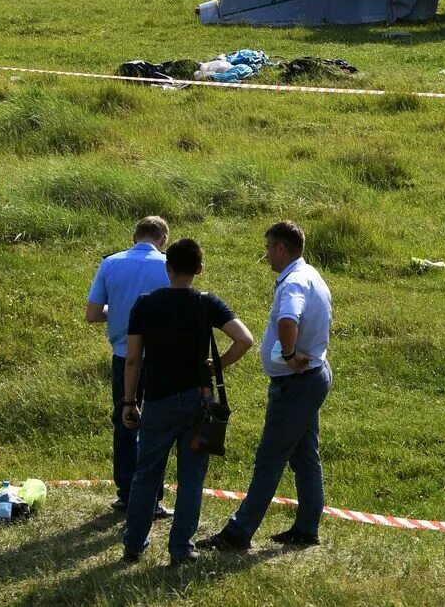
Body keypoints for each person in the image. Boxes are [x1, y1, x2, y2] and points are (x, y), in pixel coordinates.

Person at [121, 238, 255, 566]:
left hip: (158, 401)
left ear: (167, 267)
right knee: (192, 478)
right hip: (198, 402)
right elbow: (245, 339)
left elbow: (134, 360)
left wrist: (128, 401)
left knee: (146, 475)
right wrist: (219, 363)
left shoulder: (144, 304)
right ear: (199, 269)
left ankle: (133, 545)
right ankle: (181, 548)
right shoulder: (207, 303)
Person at [203, 220, 333, 552]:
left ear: (280, 248)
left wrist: (289, 354)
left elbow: (288, 320)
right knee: (305, 456)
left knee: (269, 459)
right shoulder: (311, 275)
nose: (266, 256)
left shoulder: (292, 283)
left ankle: (239, 532)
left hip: (295, 383)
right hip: (311, 378)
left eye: (268, 249)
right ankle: (306, 528)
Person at [87, 216, 173, 517]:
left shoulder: (110, 263)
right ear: (163, 240)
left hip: (124, 356)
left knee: (125, 420)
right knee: (157, 425)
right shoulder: (167, 265)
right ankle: (153, 496)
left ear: (134, 236)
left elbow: (93, 313)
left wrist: (119, 310)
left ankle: (126, 492)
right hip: (162, 357)